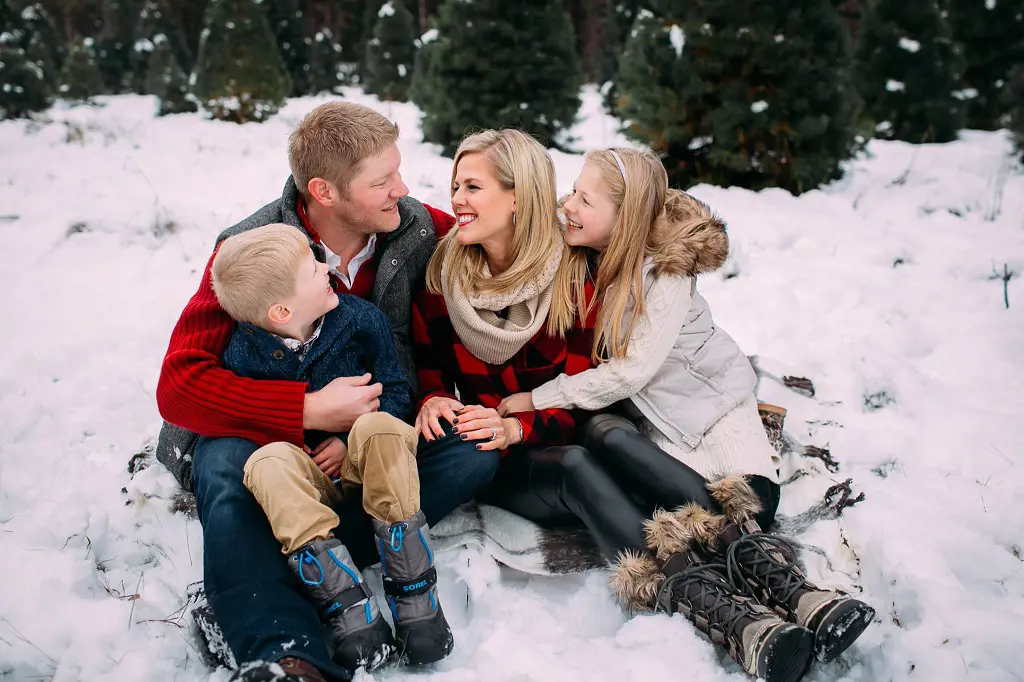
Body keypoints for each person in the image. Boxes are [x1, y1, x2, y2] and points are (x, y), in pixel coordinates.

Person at [496, 148, 876, 679]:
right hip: (652, 418)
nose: (568, 205)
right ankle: (743, 616)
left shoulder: (664, 271)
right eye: (571, 191)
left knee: (746, 503)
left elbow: (631, 372)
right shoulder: (585, 252)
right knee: (610, 443)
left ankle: (789, 590)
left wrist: (539, 398)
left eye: (585, 198)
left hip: (709, 405)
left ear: (625, 217)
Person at [154, 102, 497, 682]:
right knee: (224, 467)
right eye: (382, 180)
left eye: (399, 171)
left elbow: (515, 226)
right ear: (325, 191)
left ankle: (280, 565)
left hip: (371, 439)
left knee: (474, 451)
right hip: (274, 450)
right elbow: (179, 385)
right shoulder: (251, 250)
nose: (402, 188)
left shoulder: (413, 228)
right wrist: (306, 410)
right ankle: (288, 654)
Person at [209, 223, 452, 672]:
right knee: (265, 462)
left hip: (369, 470)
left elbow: (396, 391)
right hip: (310, 484)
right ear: (281, 311)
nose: (328, 268)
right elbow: (253, 423)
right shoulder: (243, 355)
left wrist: (344, 439)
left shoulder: (360, 320)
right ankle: (347, 607)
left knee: (379, 426)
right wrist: (301, 437)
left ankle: (414, 592)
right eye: (313, 268)